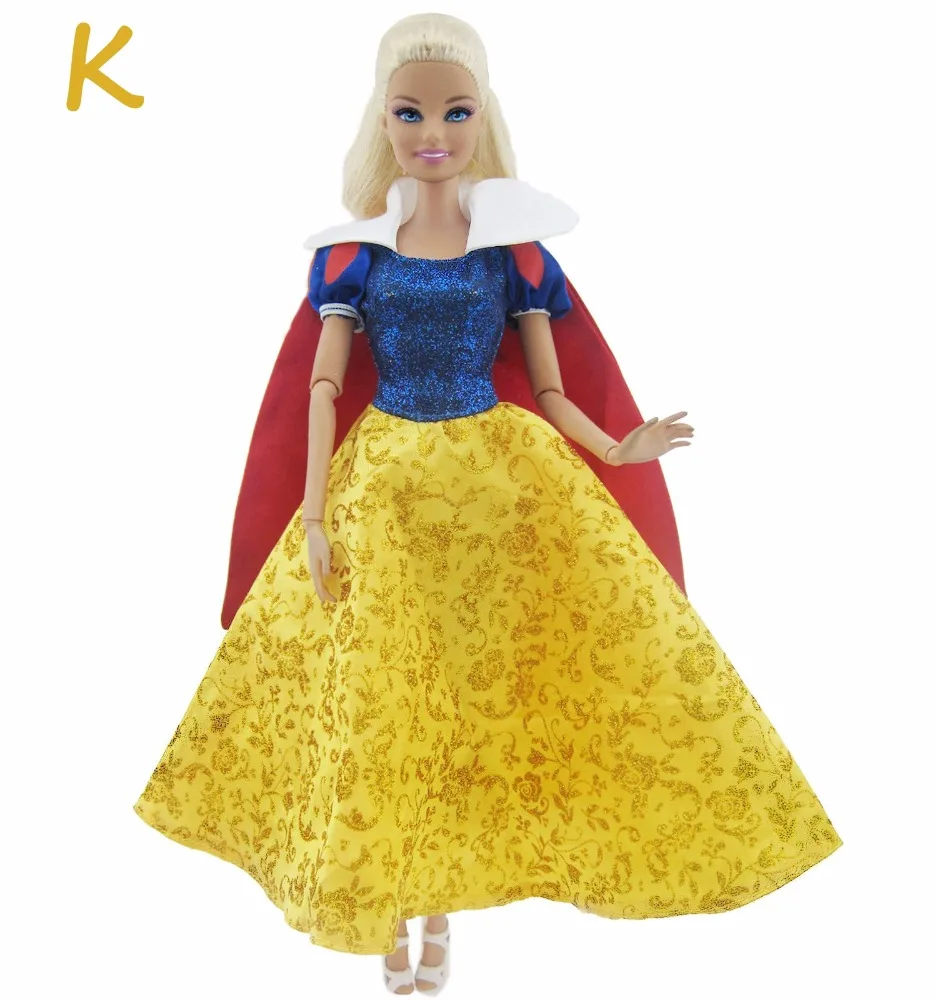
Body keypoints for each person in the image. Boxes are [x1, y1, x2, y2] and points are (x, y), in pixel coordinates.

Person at [133, 12, 843, 996]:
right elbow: (322, 390)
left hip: (498, 491)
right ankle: (387, 896)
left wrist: (618, 448)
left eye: (455, 112)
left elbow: (550, 390)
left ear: (483, 118)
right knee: (385, 694)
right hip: (384, 492)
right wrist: (314, 516)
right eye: (411, 112)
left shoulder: (517, 255)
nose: (433, 132)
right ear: (382, 120)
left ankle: (440, 907)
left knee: (474, 691)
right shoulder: (351, 259)